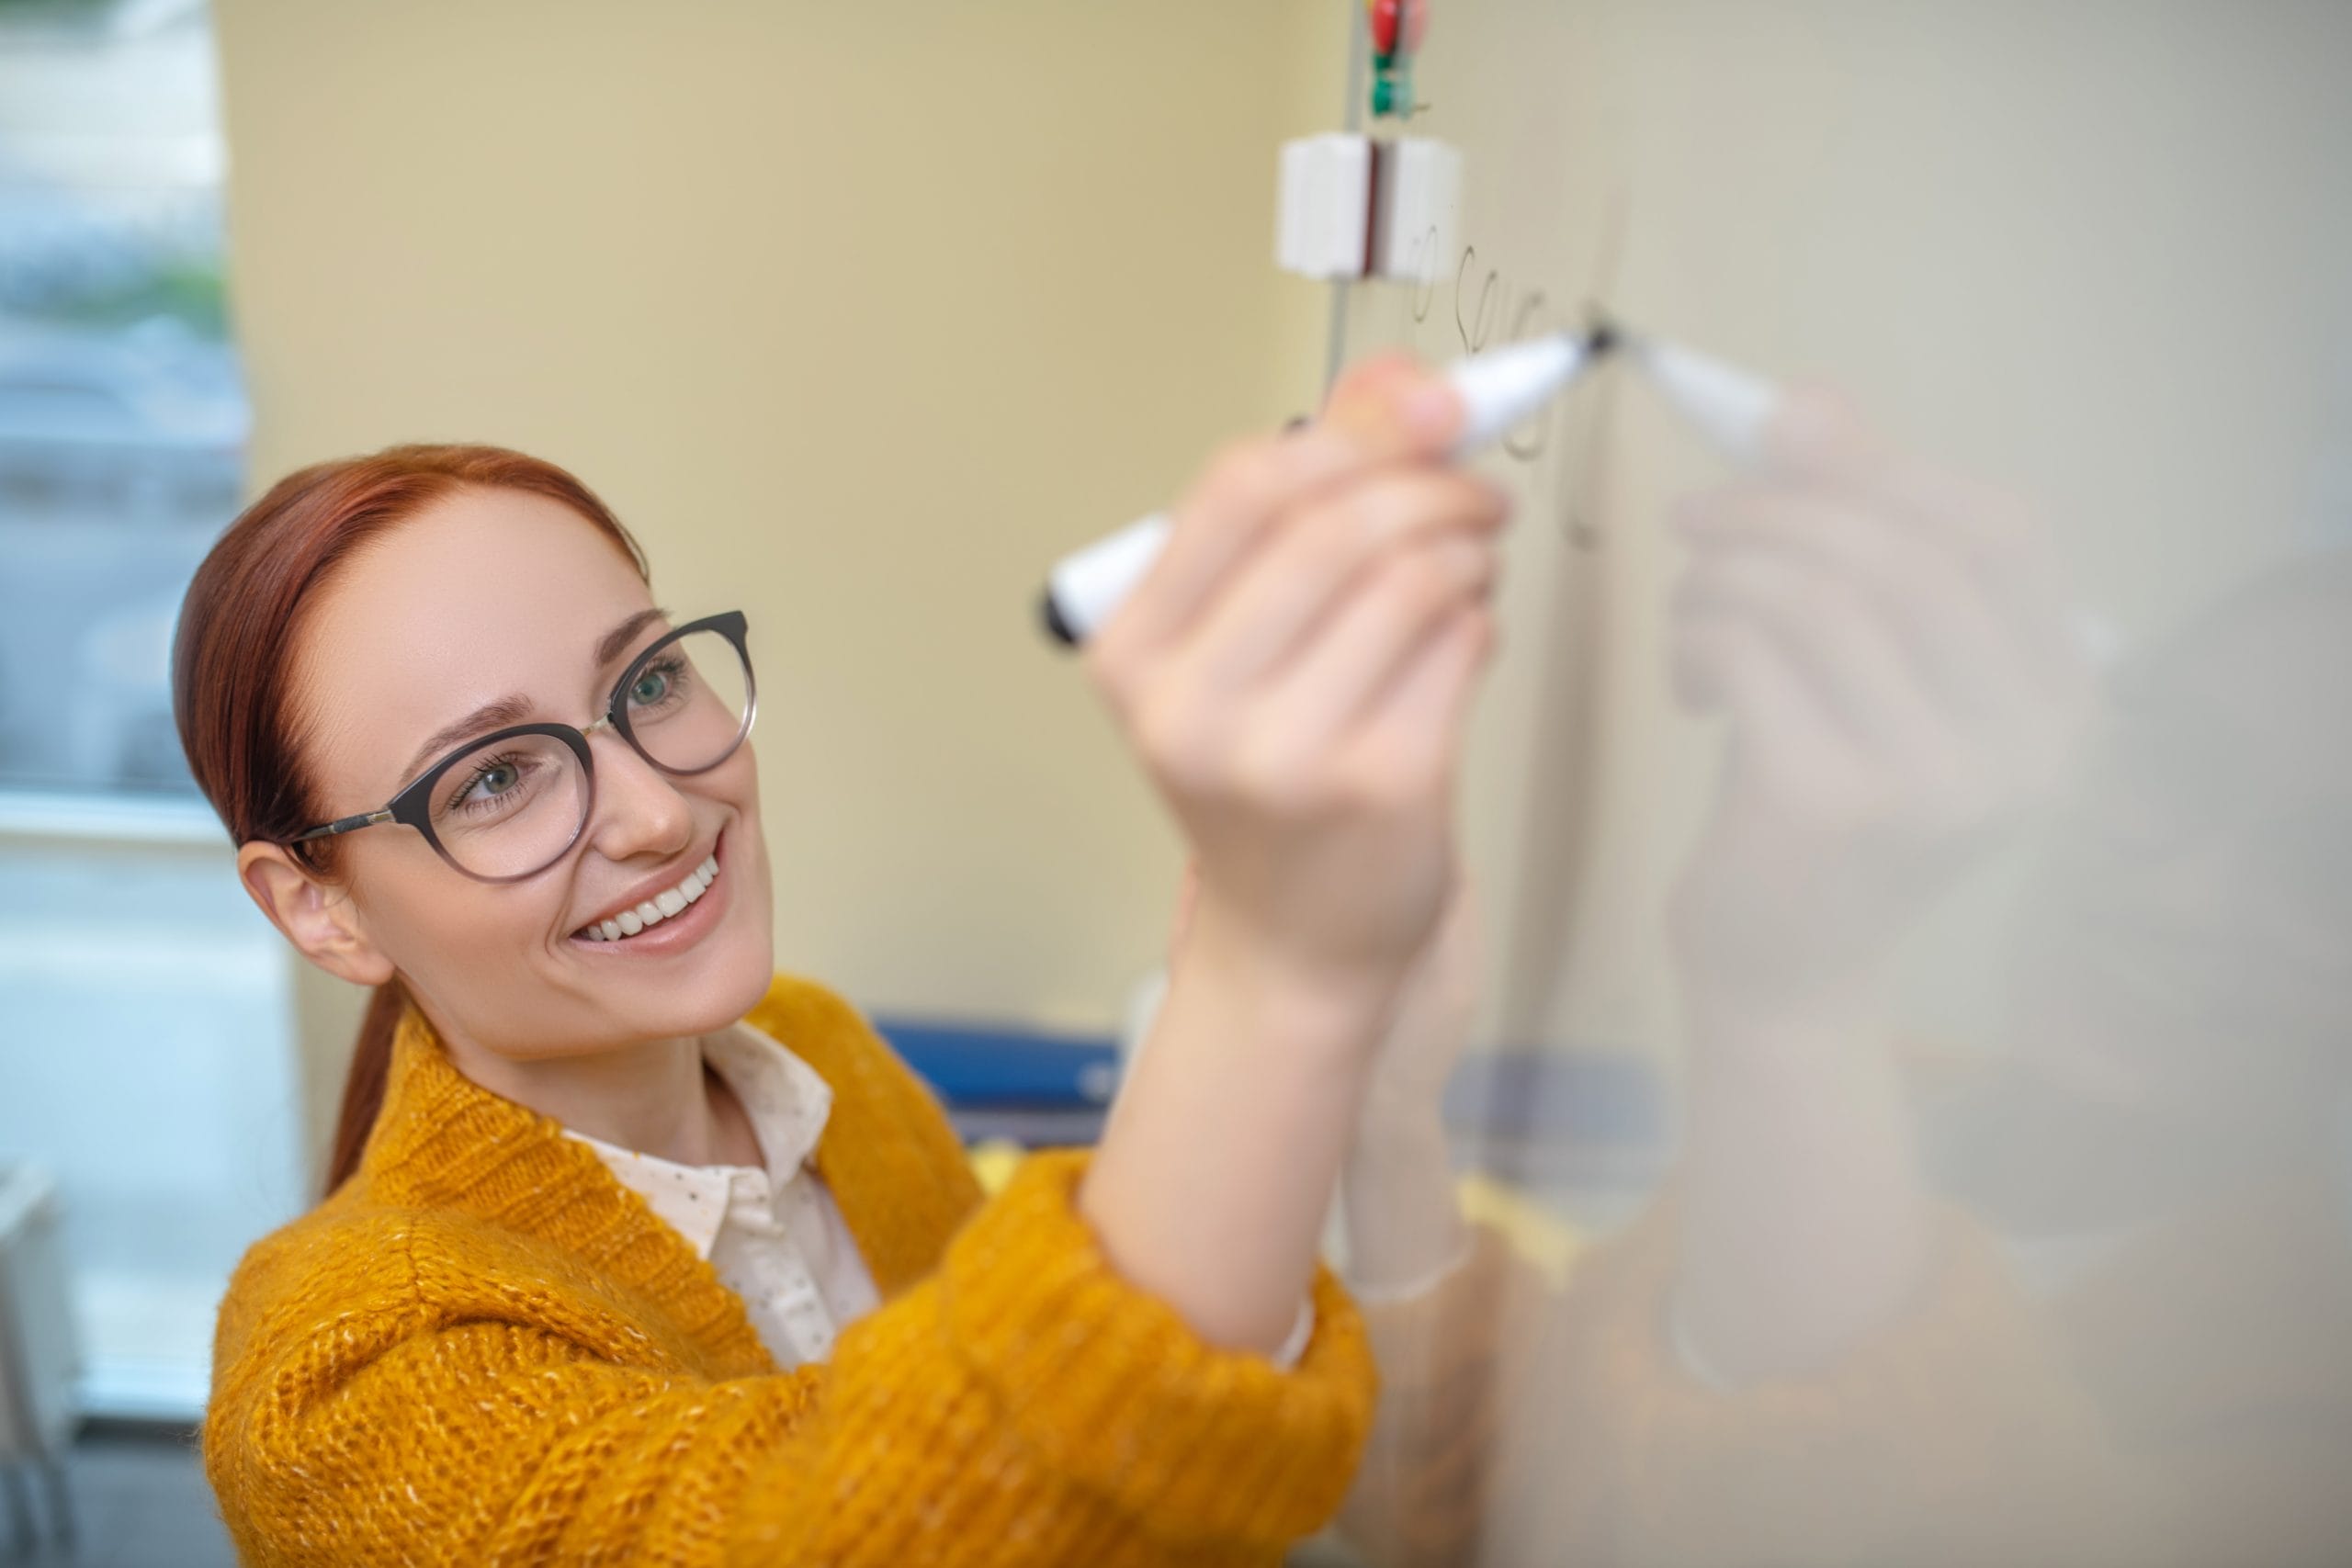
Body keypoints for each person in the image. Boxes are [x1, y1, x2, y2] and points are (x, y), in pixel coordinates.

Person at [173, 356, 1511, 1566]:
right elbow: (847, 1520)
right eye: (497, 778)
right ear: (318, 907)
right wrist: (1280, 969)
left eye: (645, 685)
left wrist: (1374, 1097)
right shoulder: (331, 1385)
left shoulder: (822, 1061)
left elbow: (1149, 1495)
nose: (657, 811)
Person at [1330, 391, 2352, 1565]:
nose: (2188, 898)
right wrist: (1389, 1105)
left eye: (2329, 871)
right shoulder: (1897, 1103)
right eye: (2180, 768)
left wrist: (1785, 999)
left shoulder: (2306, 1413)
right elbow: (1509, 1506)